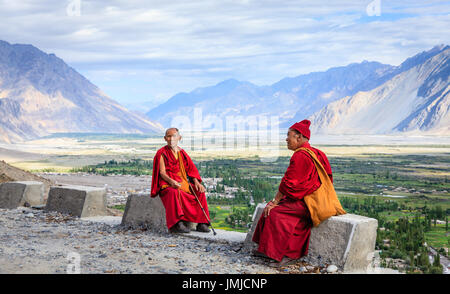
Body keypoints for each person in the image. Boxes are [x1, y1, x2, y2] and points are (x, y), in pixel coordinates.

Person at [252, 119, 345, 267]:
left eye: (289, 135)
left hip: (307, 202)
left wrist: (275, 201)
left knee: (276, 212)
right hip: (311, 200)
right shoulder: (316, 153)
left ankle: (289, 255)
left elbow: (288, 183)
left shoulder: (301, 155)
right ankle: (266, 250)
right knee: (272, 209)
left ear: (299, 137)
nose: (286, 139)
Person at [151, 128, 211, 233]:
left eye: (174, 136)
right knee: (173, 192)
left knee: (199, 191)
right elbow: (162, 173)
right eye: (168, 136)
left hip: (182, 183)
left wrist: (196, 182)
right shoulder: (161, 153)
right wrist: (171, 182)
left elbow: (191, 169)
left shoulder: (182, 153)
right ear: (165, 139)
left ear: (179, 138)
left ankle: (202, 223)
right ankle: (177, 224)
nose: (171, 139)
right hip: (167, 184)